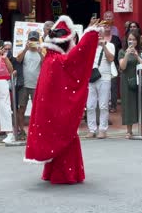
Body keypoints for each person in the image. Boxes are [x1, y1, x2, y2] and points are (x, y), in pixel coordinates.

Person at [24, 15, 101, 184]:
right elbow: (78, 56)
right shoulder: (59, 61)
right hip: (59, 109)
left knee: (55, 136)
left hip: (50, 108)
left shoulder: (50, 59)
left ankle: (52, 172)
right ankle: (65, 174)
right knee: (64, 136)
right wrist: (90, 33)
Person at [119, 30, 142, 138]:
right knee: (128, 104)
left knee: (141, 103)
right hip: (127, 79)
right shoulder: (122, 51)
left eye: (133, 39)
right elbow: (122, 66)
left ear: (137, 40)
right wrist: (127, 54)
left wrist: (137, 56)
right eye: (129, 39)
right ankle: (129, 130)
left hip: (140, 79)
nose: (131, 42)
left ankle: (141, 129)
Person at [85, 28, 115, 139]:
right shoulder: (89, 46)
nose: (98, 35)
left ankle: (103, 129)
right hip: (91, 78)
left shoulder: (110, 45)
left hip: (105, 77)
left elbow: (111, 58)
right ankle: (92, 129)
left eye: (100, 33)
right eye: (97, 34)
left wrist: (104, 46)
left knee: (103, 105)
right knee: (90, 105)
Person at [16, 31, 43, 140]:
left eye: (35, 40)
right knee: (21, 108)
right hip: (24, 85)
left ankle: (38, 131)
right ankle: (21, 131)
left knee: (37, 110)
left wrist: (41, 52)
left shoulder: (40, 52)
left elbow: (46, 63)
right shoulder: (24, 52)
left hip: (36, 85)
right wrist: (25, 49)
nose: (33, 42)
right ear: (27, 40)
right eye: (31, 40)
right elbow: (18, 60)